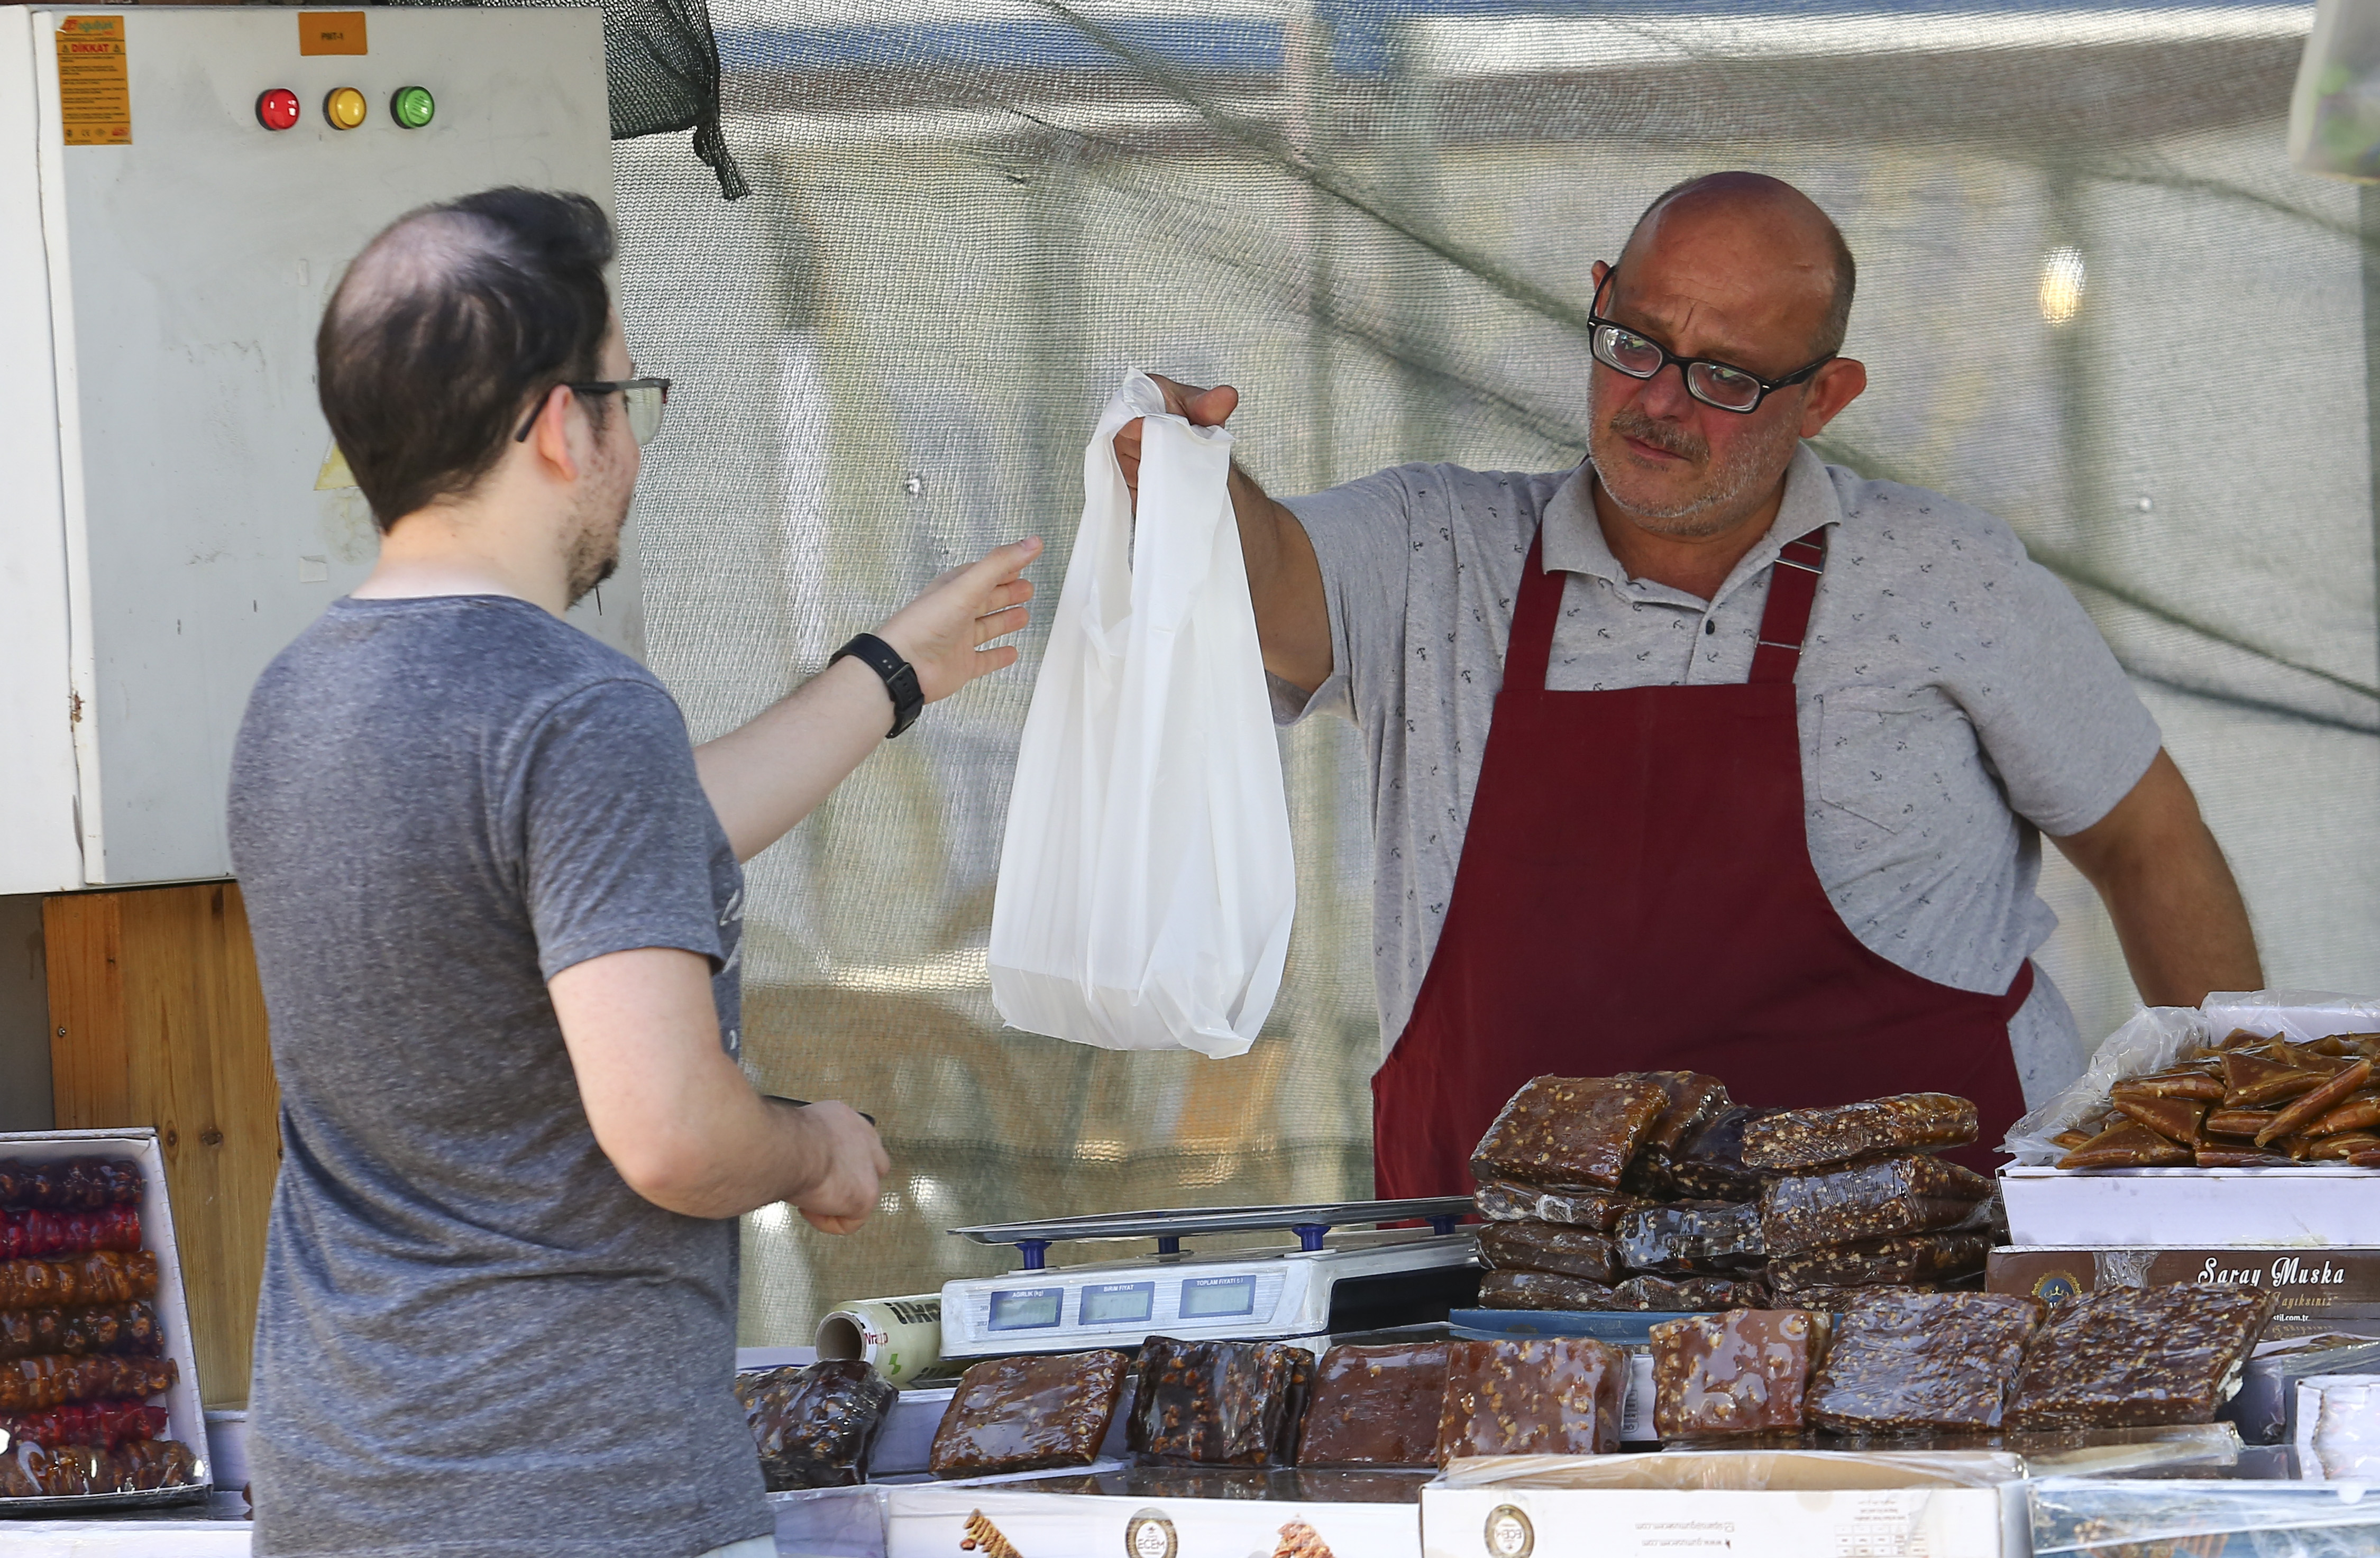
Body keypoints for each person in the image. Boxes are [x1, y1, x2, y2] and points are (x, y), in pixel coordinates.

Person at [1115, 170, 2261, 1194]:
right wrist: (1188, 484)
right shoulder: (1436, 552)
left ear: (1826, 398)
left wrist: (2240, 1158)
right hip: (1512, 1308)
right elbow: (1262, 576)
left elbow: (2148, 840)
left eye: (1725, 375)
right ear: (1601, 294)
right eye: (1635, 343)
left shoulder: (1946, 576)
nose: (1660, 401)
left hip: (1929, 1297)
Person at [227, 188, 1040, 1558]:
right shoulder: (577, 711)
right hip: (585, 1500)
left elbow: (619, 848)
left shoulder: (299, 698)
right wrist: (814, 1143)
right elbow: (667, 1129)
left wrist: (890, 677)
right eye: (629, 397)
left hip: (342, 1496)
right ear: (560, 425)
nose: (632, 448)